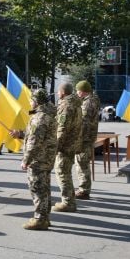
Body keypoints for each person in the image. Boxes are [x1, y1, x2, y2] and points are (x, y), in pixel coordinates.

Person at [10, 89, 57, 230]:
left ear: (36, 102)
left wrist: (26, 160)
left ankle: (40, 219)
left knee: (37, 188)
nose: (30, 103)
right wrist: (20, 134)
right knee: (44, 188)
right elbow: (35, 136)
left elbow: (35, 142)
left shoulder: (39, 118)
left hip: (38, 159)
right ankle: (44, 217)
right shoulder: (46, 115)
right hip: (46, 158)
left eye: (31, 100)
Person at [52, 83, 81, 213]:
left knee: (62, 173)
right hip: (73, 142)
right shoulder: (76, 104)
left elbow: (62, 129)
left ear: (63, 92)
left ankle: (68, 203)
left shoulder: (66, 106)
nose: (58, 94)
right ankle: (70, 200)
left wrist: (55, 146)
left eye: (58, 92)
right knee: (66, 172)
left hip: (65, 145)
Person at [74, 81, 100, 200]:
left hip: (85, 138)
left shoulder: (88, 103)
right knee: (82, 163)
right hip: (88, 137)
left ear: (83, 91)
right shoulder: (92, 99)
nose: (76, 92)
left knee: (82, 164)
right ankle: (83, 188)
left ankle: (84, 190)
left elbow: (84, 122)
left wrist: (77, 136)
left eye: (78, 90)